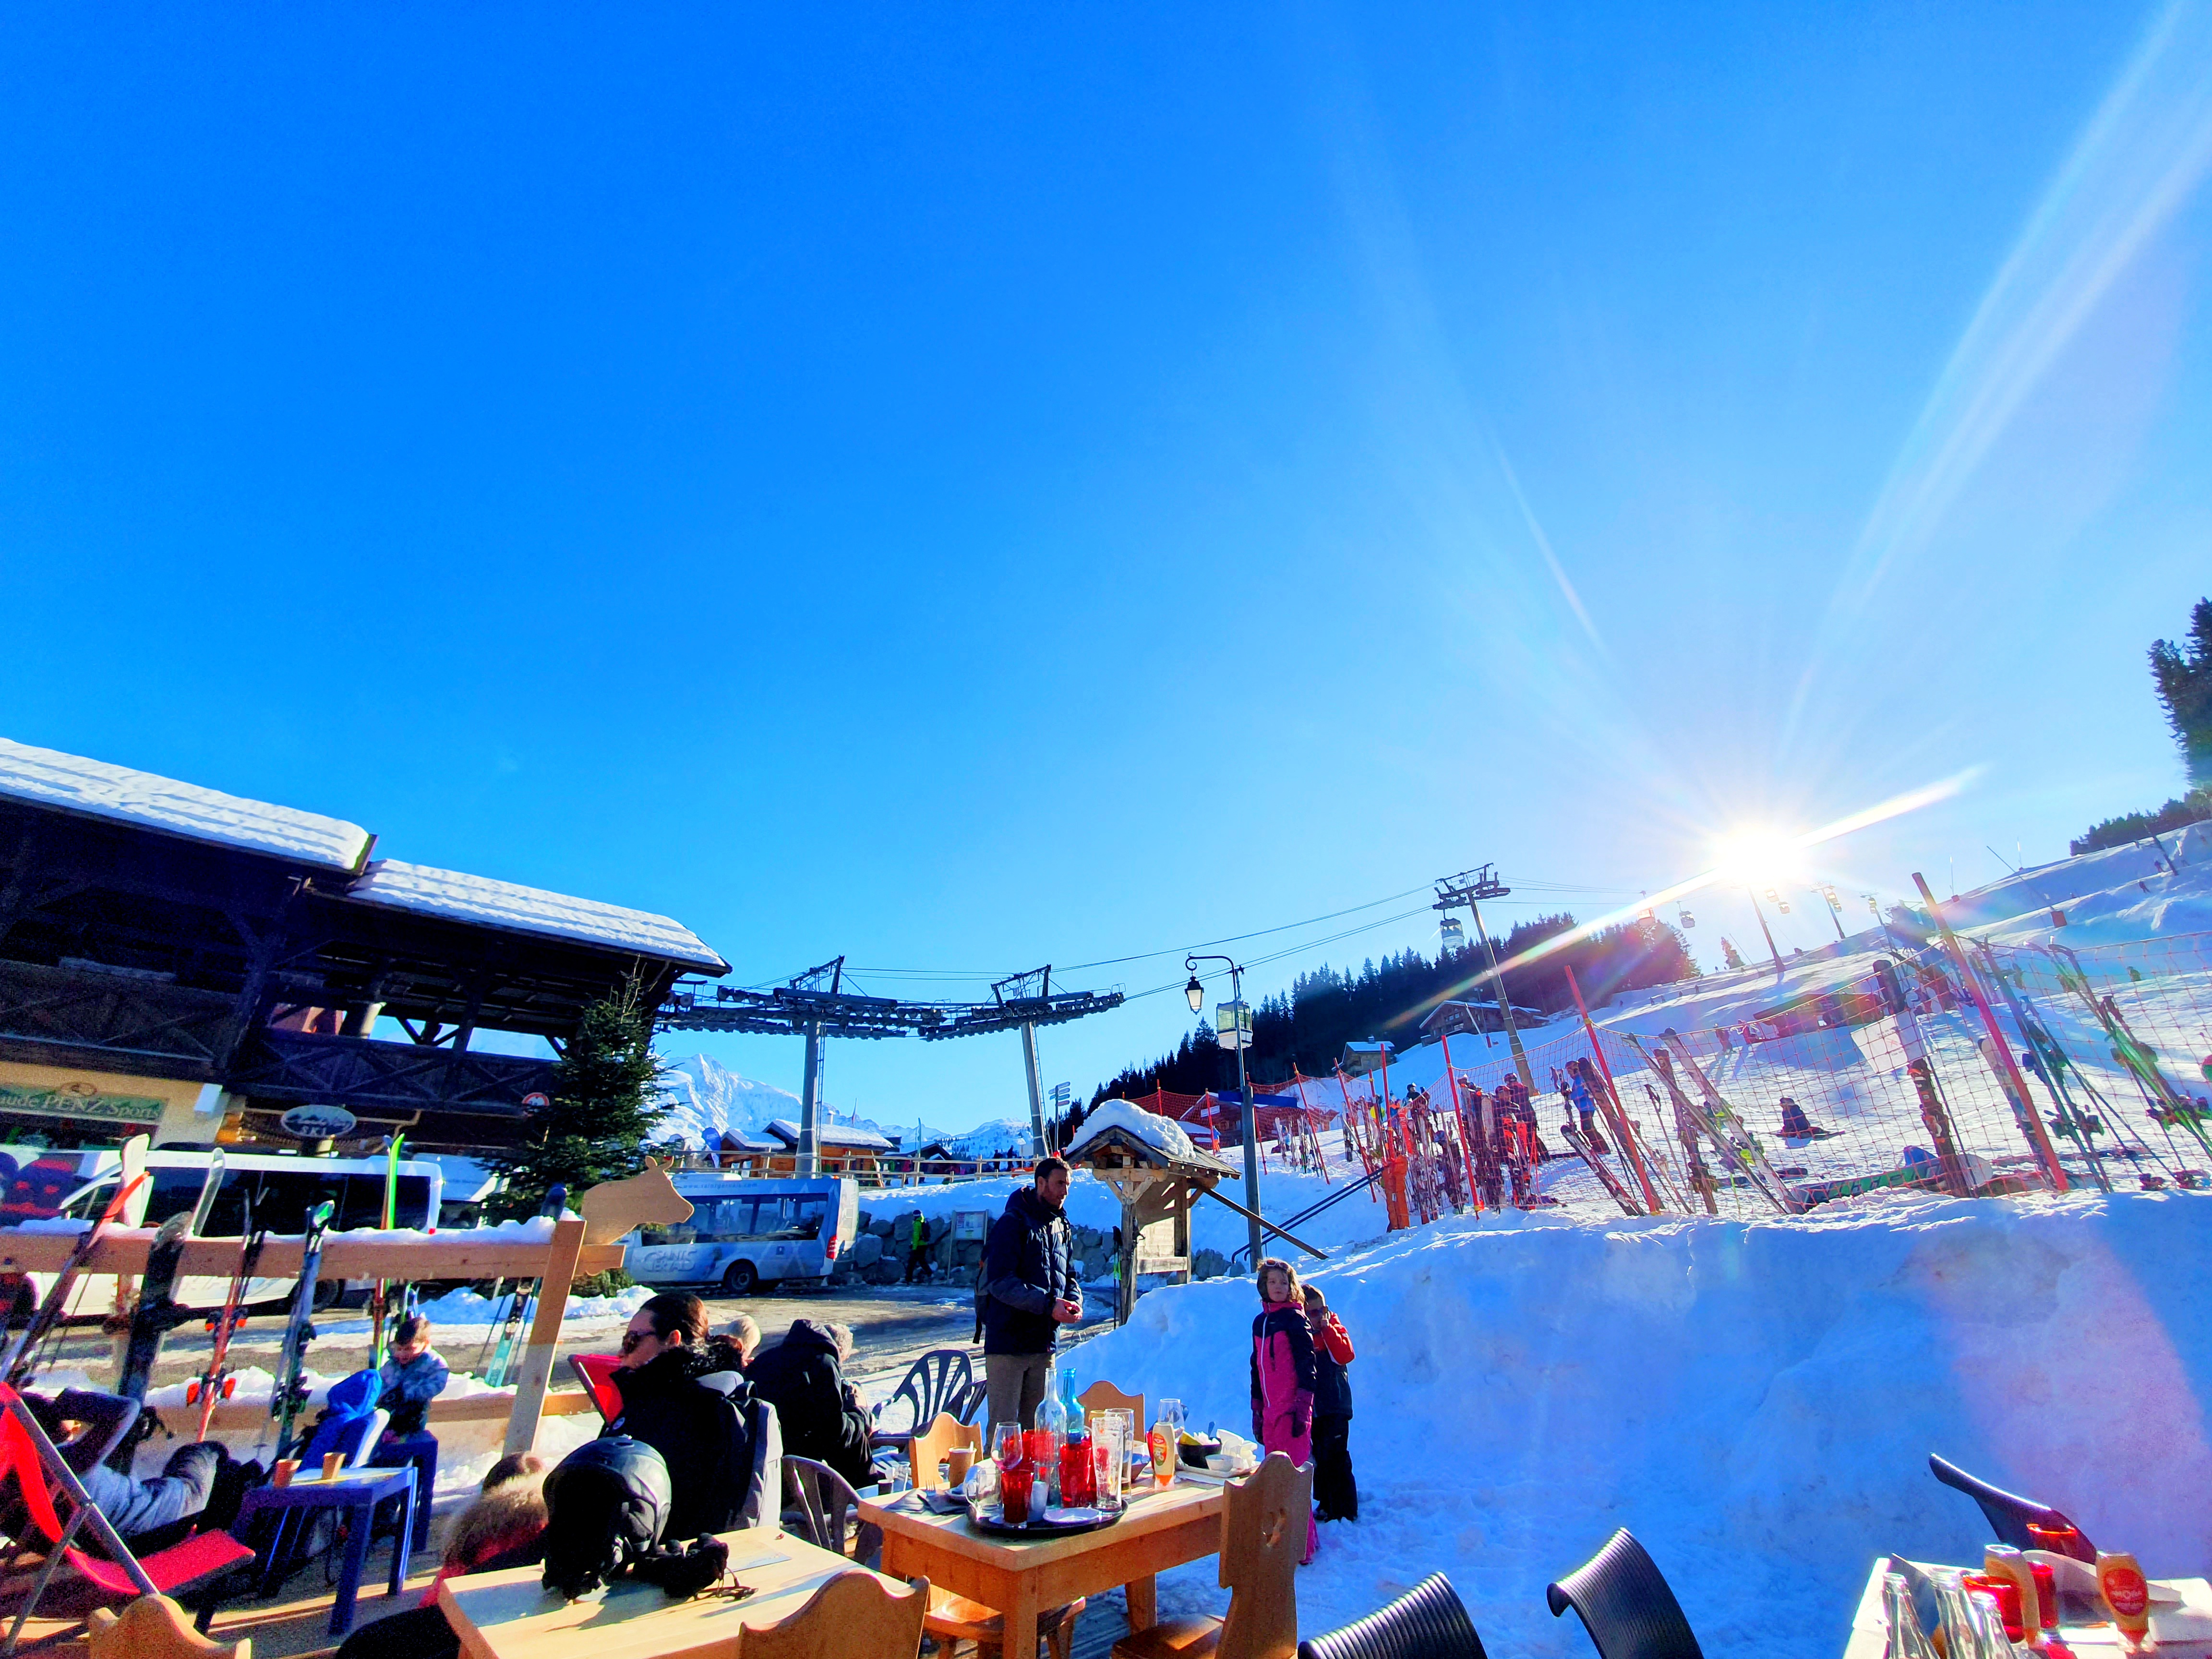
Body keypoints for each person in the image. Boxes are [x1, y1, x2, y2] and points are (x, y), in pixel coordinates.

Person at [0, 1387, 229, 1549]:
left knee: (144, 1484)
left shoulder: (15, 1480)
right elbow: (126, 1410)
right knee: (205, 1452)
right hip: (165, 1523)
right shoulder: (66, 1464)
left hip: (104, 1544)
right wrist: (62, 1404)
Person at [605, 1292, 757, 1537]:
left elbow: (681, 1515)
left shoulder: (696, 1410)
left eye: (633, 1340)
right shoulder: (649, 1397)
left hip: (660, 1551)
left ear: (672, 1341)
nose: (622, 1352)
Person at [979, 1156, 1081, 1431]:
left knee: (1039, 1431)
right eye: (1059, 1184)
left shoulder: (1061, 1224)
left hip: (1044, 1345)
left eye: (1068, 1185)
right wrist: (1049, 1305)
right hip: (1008, 1346)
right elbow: (1000, 1282)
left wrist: (1073, 1300)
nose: (1065, 1191)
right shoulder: (1012, 1223)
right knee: (1004, 1430)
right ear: (1041, 1183)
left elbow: (1069, 1274)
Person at [745, 1319, 873, 1490]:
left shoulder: (764, 1360)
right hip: (802, 1465)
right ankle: (867, 1498)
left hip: (765, 1459)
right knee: (856, 1440)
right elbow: (836, 1432)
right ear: (838, 1350)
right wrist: (861, 1414)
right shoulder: (823, 1362)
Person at [1249, 1258, 1317, 1563]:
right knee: (1274, 1480)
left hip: (1292, 1411)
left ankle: (1303, 1546)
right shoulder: (1260, 1322)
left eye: (1283, 1282)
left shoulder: (1295, 1319)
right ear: (1264, 1286)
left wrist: (1303, 1407)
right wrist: (1257, 1409)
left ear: (1292, 1287)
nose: (1278, 1287)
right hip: (1270, 1411)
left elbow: (1308, 1366)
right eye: (1272, 1282)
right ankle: (1278, 1542)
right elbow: (1256, 1368)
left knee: (1294, 1479)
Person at [1301, 1284, 1357, 1523]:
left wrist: (1327, 1330)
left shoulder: (1332, 1327)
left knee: (1337, 1455)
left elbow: (1345, 1355)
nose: (1319, 1317)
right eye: (1312, 1313)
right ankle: (1326, 1502)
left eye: (1322, 1310)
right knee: (1320, 1456)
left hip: (1336, 1406)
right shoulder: (1303, 1335)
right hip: (1315, 1409)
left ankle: (1345, 1507)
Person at [376, 1314, 450, 1437]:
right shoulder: (394, 1363)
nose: (403, 1354)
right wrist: (383, 1395)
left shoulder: (434, 1363)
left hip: (412, 1414)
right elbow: (381, 1380)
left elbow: (437, 1385)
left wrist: (407, 1393)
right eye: (399, 1349)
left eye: (410, 1349)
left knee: (412, 1418)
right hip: (387, 1410)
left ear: (426, 1343)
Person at [904, 1211, 930, 1284]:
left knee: (911, 1263)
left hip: (918, 1246)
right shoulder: (923, 1221)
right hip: (924, 1244)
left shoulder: (917, 1224)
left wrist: (914, 1248)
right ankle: (930, 1274)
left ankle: (908, 1279)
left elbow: (916, 1237)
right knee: (922, 1261)